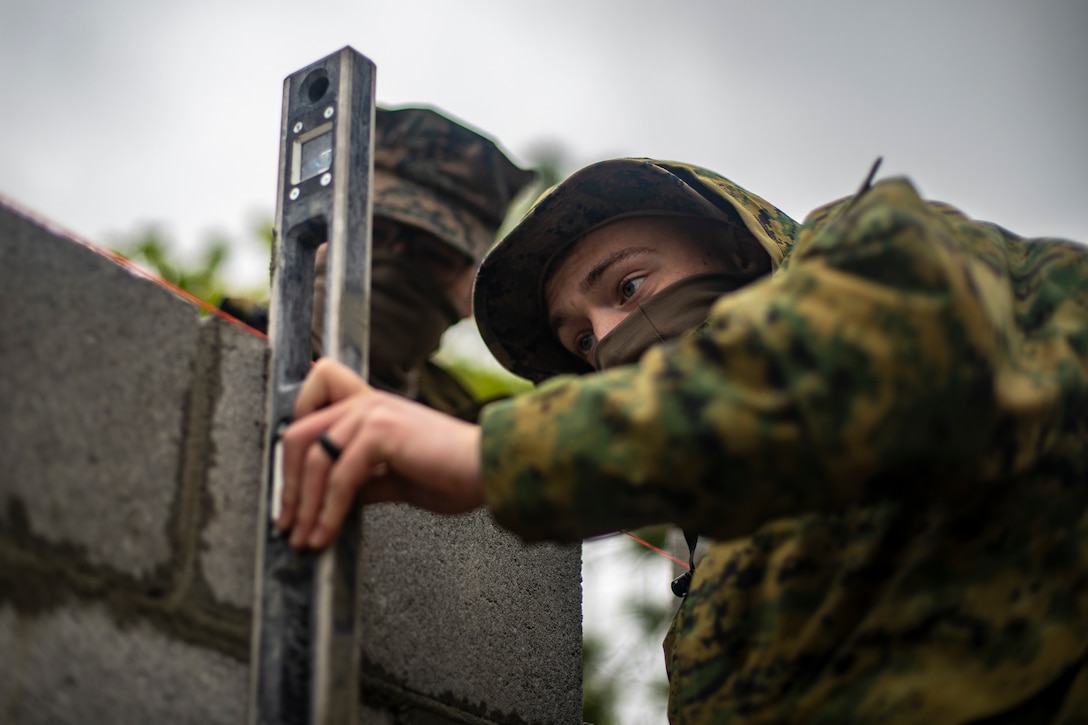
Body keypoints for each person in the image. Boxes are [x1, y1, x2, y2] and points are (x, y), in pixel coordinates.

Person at [276, 157, 1088, 723]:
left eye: (630, 285)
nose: (611, 339)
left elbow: (868, 358)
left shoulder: (876, 255)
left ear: (737, 248)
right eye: (583, 346)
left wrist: (487, 455)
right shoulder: (708, 606)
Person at [222, 105, 536, 420]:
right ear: (317, 238)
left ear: (472, 291)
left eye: (434, 255)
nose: (393, 260)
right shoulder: (217, 352)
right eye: (370, 232)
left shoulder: (475, 435)